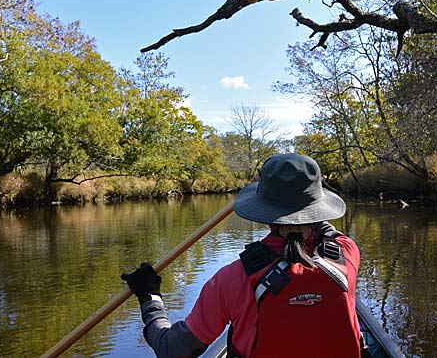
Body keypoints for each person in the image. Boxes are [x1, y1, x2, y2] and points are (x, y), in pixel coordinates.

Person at [122, 153, 362, 358]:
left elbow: (172, 349)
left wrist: (149, 297)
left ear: (264, 214)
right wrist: (300, 198)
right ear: (318, 207)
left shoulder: (233, 279)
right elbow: (325, 230)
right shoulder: (346, 255)